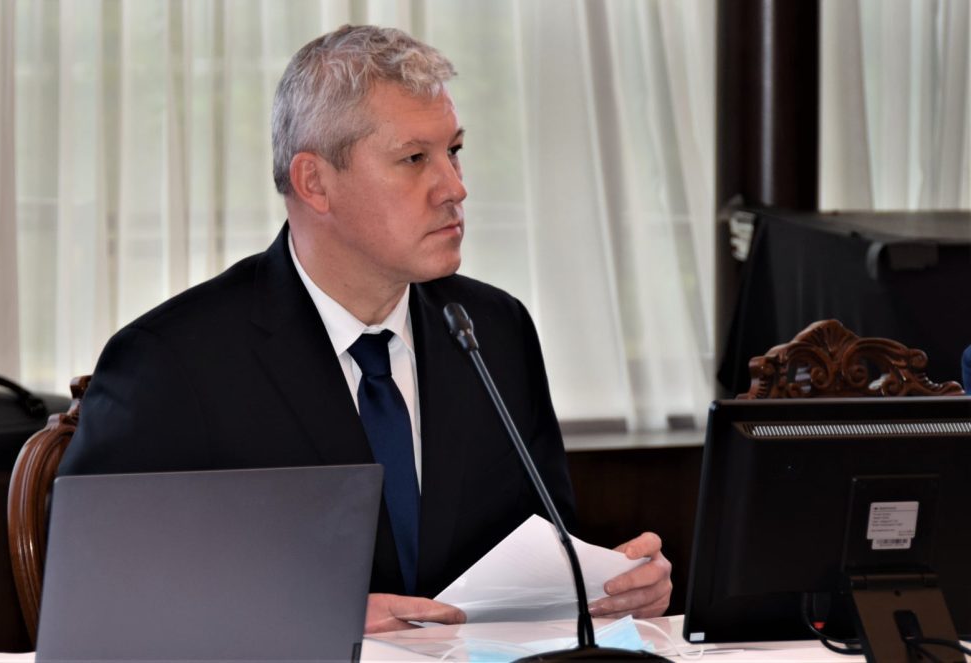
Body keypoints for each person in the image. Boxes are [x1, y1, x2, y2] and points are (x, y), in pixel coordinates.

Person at [58, 24, 672, 634]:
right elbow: (99, 599)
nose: (455, 188)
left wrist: (609, 589)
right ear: (315, 183)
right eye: (414, 159)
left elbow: (548, 551)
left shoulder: (493, 330)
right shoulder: (171, 362)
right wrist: (315, 619)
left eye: (454, 151)